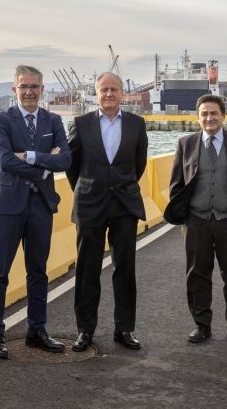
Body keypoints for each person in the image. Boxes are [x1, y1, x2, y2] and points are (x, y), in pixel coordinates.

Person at [0, 65, 71, 359]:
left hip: (40, 205)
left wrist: (31, 156)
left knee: (38, 272)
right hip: (7, 205)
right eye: (24, 86)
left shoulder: (53, 121)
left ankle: (37, 330)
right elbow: (5, 160)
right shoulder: (0, 120)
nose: (29, 92)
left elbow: (66, 160)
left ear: (42, 89)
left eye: (34, 86)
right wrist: (44, 167)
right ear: (15, 90)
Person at [163, 94, 227, 346]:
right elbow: (176, 183)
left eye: (214, 113)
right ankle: (201, 325)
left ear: (223, 116)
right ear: (198, 117)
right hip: (196, 220)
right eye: (204, 114)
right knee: (197, 274)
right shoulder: (185, 143)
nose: (209, 118)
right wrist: (183, 214)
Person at [66, 72, 148, 352]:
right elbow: (72, 166)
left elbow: (139, 164)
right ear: (96, 93)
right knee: (87, 268)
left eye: (114, 89)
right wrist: (88, 188)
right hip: (90, 203)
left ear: (122, 93)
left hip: (124, 203)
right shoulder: (81, 124)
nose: (109, 94)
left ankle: (124, 329)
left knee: (125, 268)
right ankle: (85, 330)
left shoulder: (136, 124)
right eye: (104, 90)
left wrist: (121, 185)